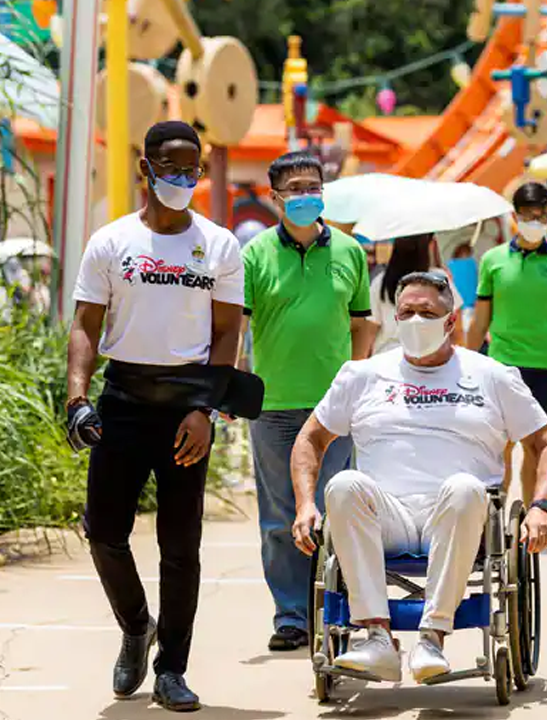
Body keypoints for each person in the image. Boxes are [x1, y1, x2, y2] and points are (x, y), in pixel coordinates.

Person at [288, 271, 547, 683]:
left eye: (427, 312)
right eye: (407, 312)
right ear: (395, 318)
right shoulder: (362, 375)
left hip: (460, 517)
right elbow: (311, 438)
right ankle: (377, 639)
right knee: (343, 485)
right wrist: (305, 504)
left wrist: (542, 507)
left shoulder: (492, 375)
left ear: (451, 321)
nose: (416, 321)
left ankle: (432, 639)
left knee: (463, 486)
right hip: (386, 517)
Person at [65, 121, 244, 711]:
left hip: (185, 408)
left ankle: (172, 669)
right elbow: (86, 326)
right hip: (122, 401)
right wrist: (77, 396)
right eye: (170, 167)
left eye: (191, 169)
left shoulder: (219, 245)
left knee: (180, 546)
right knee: (104, 533)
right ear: (145, 169)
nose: (182, 179)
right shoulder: (111, 243)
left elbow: (226, 333)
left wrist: (205, 409)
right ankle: (137, 625)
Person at [239, 150, 375, 651]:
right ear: (275, 196)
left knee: (335, 508)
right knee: (280, 516)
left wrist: (358, 383)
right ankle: (292, 615)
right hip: (273, 405)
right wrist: (233, 387)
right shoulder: (253, 255)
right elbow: (237, 327)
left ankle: (334, 609)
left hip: (336, 406)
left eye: (313, 186)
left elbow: (362, 323)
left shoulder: (350, 251)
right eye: (294, 188)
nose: (305, 196)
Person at [467, 182, 547, 504]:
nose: (537, 221)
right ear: (516, 216)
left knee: (534, 446)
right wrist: (464, 359)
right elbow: (480, 320)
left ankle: (528, 520)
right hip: (500, 365)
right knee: (499, 445)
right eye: (530, 214)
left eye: (543, 215)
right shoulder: (492, 260)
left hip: (544, 366)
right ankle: (495, 516)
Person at [368, 234, 463, 354]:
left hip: (386, 357)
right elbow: (457, 331)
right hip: (429, 358)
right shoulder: (440, 279)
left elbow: (368, 331)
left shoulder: (381, 281)